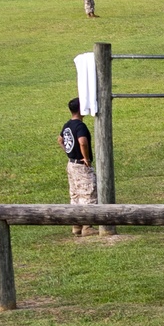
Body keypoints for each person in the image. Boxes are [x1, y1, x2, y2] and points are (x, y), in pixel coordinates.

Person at [58, 97, 98, 237]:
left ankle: (76, 225)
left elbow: (60, 140)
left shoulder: (67, 124)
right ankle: (87, 226)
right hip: (81, 165)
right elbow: (82, 142)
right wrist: (85, 157)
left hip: (71, 164)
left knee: (75, 194)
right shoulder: (80, 126)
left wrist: (69, 152)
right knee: (88, 193)